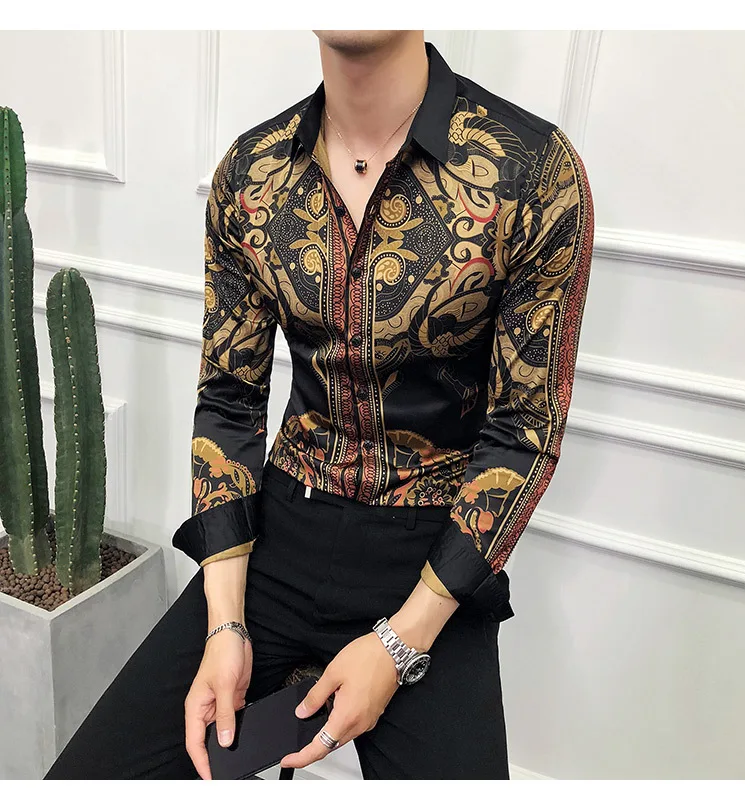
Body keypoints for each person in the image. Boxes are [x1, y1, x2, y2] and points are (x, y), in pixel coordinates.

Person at [44, 29, 593, 780]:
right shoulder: (254, 171)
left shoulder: (532, 170)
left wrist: (399, 645)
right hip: (277, 538)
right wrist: (225, 624)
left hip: (436, 560)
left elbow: (525, 430)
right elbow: (229, 399)